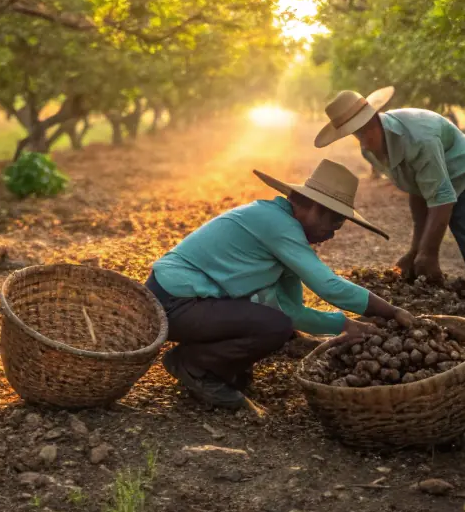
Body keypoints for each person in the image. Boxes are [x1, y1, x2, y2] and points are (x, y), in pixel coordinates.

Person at [146, 159, 416, 410]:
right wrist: (390, 311)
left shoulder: (284, 234)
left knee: (277, 324)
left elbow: (292, 311)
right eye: (333, 220)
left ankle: (200, 360)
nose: (333, 232)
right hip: (172, 302)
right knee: (273, 326)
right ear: (309, 205)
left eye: (340, 224)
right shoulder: (277, 223)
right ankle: (192, 364)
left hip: (190, 303)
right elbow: (328, 286)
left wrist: (346, 326)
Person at [315, 87, 465, 343]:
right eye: (354, 134)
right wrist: (416, 250)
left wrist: (429, 253)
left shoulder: (418, 139)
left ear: (375, 118)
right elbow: (417, 189)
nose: (362, 140)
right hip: (436, 183)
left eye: (364, 130)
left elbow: (442, 198)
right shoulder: (369, 150)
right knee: (432, 251)